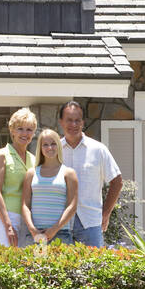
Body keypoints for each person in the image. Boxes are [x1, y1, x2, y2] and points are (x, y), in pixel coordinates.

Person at [58, 100, 123, 247]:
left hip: (90, 223)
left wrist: (106, 214)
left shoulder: (98, 149)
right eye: (69, 120)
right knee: (59, 268)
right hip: (59, 223)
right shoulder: (54, 150)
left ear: (83, 122)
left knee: (93, 269)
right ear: (61, 122)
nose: (73, 124)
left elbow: (117, 181)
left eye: (77, 120)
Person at [0, 107, 37, 246]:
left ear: (33, 133)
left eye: (29, 129)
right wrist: (8, 225)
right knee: (6, 261)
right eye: (20, 128)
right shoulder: (1, 155)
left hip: (27, 218)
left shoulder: (33, 159)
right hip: (5, 216)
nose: (24, 133)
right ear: (12, 131)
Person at [21, 129, 78, 246]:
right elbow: (25, 205)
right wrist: (32, 230)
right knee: (34, 265)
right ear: (40, 149)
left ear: (59, 146)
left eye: (53, 144)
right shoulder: (31, 173)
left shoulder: (68, 173)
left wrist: (54, 229)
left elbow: (72, 206)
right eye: (45, 145)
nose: (49, 148)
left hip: (61, 234)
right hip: (36, 235)